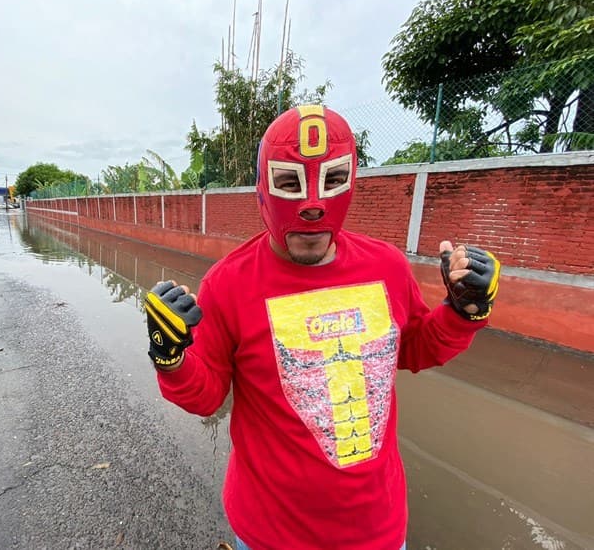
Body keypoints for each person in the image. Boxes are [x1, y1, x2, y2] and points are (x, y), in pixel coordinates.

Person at [143, 105, 500, 550]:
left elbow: (412, 349)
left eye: (331, 180)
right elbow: (207, 395)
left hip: (378, 531)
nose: (311, 206)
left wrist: (462, 310)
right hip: (269, 534)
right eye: (290, 182)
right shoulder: (228, 283)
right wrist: (171, 359)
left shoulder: (385, 266)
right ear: (263, 189)